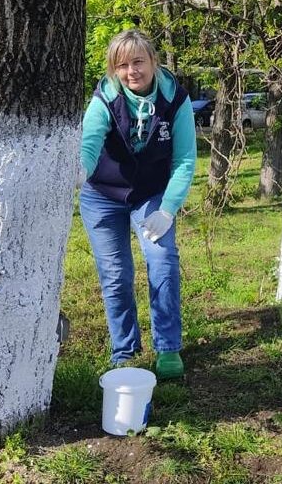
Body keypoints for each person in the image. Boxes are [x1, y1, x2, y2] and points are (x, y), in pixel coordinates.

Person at [78, 29, 197, 380]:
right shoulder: (104, 99)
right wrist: (80, 170)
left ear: (153, 62)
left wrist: (167, 209)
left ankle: (168, 348)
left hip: (151, 195)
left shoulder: (175, 100)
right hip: (102, 195)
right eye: (123, 65)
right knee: (116, 276)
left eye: (138, 62)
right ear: (115, 70)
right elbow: (89, 142)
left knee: (161, 260)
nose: (132, 71)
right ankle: (125, 350)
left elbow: (185, 160)